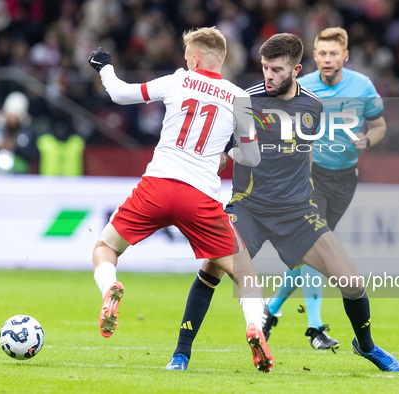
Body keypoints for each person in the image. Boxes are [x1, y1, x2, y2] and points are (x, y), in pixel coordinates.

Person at [166, 32, 399, 373]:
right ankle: (181, 354)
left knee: (353, 283)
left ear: (296, 69)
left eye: (276, 70)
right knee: (211, 269)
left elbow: (305, 156)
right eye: (264, 68)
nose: (268, 76)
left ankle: (366, 347)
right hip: (248, 208)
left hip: (296, 213)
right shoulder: (244, 102)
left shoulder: (313, 107)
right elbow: (220, 154)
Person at [87, 27, 273, 373]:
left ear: (195, 58)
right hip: (199, 195)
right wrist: (226, 152)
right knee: (245, 275)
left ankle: (111, 286)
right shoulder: (239, 98)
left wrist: (104, 67)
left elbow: (121, 94)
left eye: (188, 56)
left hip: (157, 185)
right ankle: (253, 326)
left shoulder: (178, 80)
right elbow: (252, 156)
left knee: (104, 247)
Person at [264, 27, 388, 349]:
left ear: (345, 56)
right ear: (314, 56)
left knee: (312, 254)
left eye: (334, 53)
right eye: (322, 53)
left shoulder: (362, 86)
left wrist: (367, 140)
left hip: (345, 178)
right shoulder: (302, 87)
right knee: (316, 243)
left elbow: (379, 124)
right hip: (310, 175)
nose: (327, 59)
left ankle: (271, 310)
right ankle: (315, 328)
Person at [0, 91, 38, 174]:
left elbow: (33, 155)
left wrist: (15, 148)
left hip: (19, 172)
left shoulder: (28, 131)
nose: (12, 119)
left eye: (16, 117)